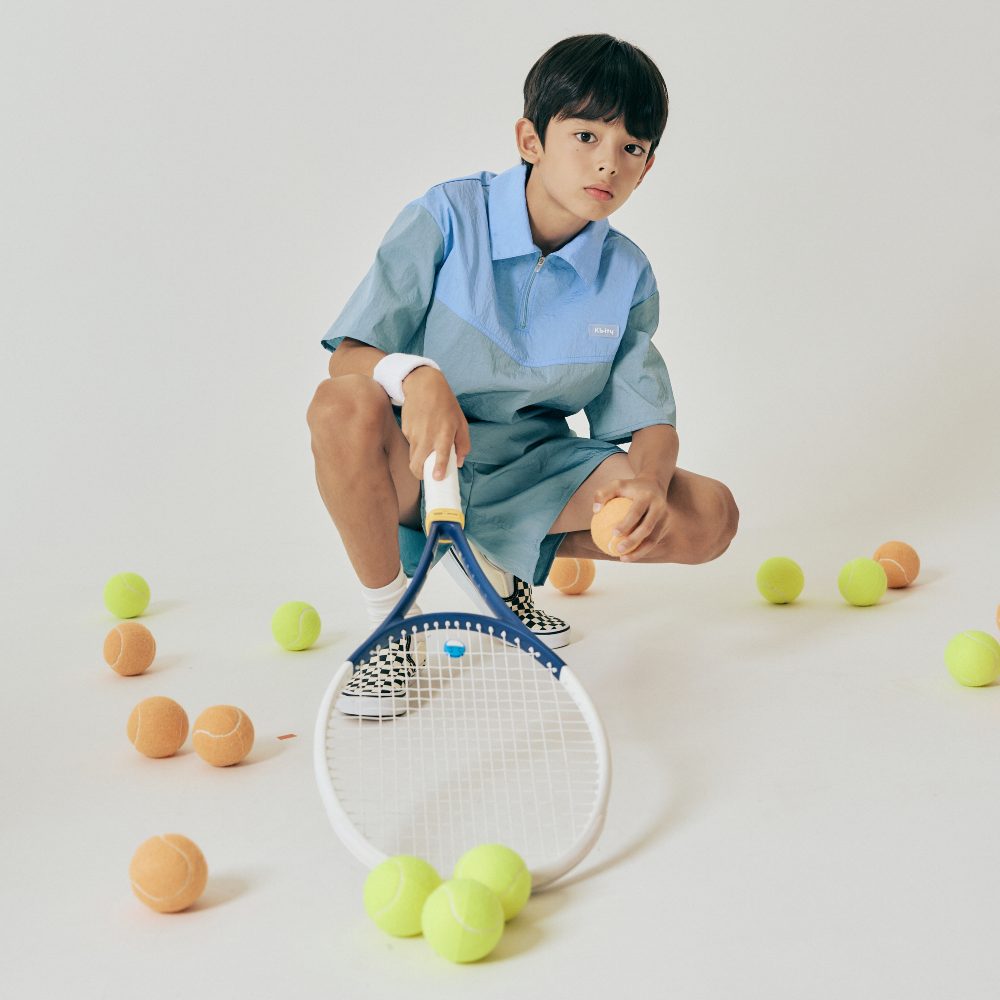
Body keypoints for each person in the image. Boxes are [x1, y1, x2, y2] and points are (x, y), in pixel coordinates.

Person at [307, 33, 739, 716]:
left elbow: (648, 419)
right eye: (586, 135)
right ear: (531, 140)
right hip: (424, 467)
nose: (608, 162)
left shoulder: (627, 273)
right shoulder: (446, 215)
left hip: (533, 472)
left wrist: (648, 487)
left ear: (647, 168)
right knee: (340, 404)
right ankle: (391, 626)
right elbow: (349, 354)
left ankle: (502, 566)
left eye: (632, 148)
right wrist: (420, 377)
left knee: (710, 517)